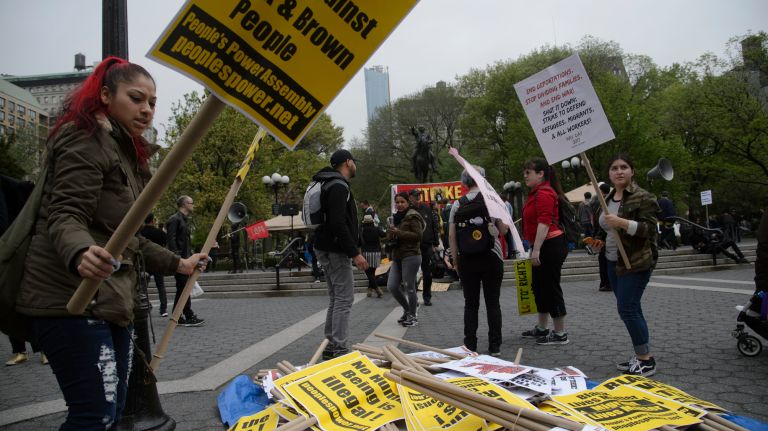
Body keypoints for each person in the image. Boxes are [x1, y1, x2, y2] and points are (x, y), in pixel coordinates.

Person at [13, 57, 207, 429]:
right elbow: (65, 214)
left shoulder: (126, 153)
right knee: (95, 415)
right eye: (136, 98)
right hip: (68, 298)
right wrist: (81, 253)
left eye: (152, 102)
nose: (147, 109)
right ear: (105, 95)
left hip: (110, 300)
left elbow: (126, 239)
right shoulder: (84, 138)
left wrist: (179, 264)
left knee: (113, 412)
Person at [592, 154, 660, 376]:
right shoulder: (607, 198)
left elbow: (649, 231)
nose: (619, 171)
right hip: (613, 261)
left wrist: (620, 222)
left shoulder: (643, 197)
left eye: (624, 167)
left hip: (635, 262)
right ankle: (641, 354)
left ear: (632, 171)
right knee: (630, 308)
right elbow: (606, 227)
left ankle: (646, 360)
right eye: (614, 168)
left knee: (627, 308)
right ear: (609, 174)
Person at [313, 149, 369, 360]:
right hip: (335, 249)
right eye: (354, 162)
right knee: (344, 299)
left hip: (325, 246)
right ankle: (340, 348)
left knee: (336, 298)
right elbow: (338, 223)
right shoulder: (338, 186)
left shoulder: (328, 183)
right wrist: (354, 253)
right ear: (347, 162)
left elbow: (342, 221)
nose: (355, 165)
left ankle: (330, 344)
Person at [448, 167, 508, 356]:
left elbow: (451, 236)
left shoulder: (457, 204)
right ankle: (495, 346)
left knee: (470, 303)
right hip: (491, 255)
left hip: (467, 259)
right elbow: (504, 230)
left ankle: (470, 345)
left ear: (465, 182)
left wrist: (455, 261)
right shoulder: (492, 200)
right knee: (493, 303)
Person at [520, 157, 570, 345]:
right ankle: (542, 328)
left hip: (550, 245)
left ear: (541, 174)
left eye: (528, 172)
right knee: (539, 287)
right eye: (525, 172)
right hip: (541, 245)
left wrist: (536, 250)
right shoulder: (535, 193)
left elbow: (544, 222)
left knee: (550, 287)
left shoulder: (544, 193)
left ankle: (560, 333)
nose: (525, 176)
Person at [387, 192, 426, 326]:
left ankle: (413, 316)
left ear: (408, 202)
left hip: (411, 254)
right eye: (397, 202)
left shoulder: (412, 216)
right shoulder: (395, 218)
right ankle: (408, 309)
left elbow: (418, 236)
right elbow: (391, 237)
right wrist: (390, 235)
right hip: (397, 256)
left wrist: (398, 232)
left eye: (402, 202)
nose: (399, 204)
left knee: (409, 286)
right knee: (392, 286)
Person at [167, 195, 205, 327]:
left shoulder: (184, 220)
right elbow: (171, 241)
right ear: (184, 204)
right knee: (182, 288)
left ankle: (181, 314)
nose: (193, 205)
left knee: (184, 288)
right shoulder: (174, 219)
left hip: (187, 259)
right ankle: (184, 315)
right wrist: (179, 260)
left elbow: (186, 243)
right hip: (181, 260)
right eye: (191, 202)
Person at [409, 189, 440, 306]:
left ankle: (427, 296)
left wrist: (435, 242)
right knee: (412, 273)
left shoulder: (426, 208)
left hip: (426, 245)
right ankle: (413, 297)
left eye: (419, 196)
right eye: (415, 195)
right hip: (412, 246)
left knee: (427, 272)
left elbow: (433, 225)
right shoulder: (408, 210)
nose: (418, 197)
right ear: (410, 197)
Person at [140, 213, 169, 316]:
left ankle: (144, 305)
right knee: (160, 286)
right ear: (153, 221)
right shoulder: (159, 232)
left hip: (145, 263)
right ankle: (163, 309)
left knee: (143, 287)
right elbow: (166, 244)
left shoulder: (141, 232)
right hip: (158, 262)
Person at [591, 183, 613, 291]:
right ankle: (605, 282)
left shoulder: (607, 202)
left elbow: (603, 222)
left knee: (604, 260)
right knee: (603, 260)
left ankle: (607, 283)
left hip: (606, 236)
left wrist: (598, 236)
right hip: (601, 235)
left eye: (598, 190)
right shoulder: (601, 202)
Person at [360, 214, 385, 298]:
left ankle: (376, 289)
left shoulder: (362, 230)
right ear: (372, 221)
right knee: (373, 272)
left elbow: (358, 242)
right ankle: (371, 290)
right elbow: (383, 235)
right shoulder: (376, 229)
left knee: (368, 273)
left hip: (366, 253)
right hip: (376, 252)